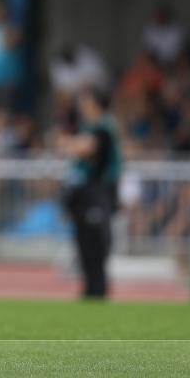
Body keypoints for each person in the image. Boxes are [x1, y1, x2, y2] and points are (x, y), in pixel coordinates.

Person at [57, 88, 122, 299]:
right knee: (83, 240)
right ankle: (89, 287)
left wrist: (70, 144)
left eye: (85, 101)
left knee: (97, 239)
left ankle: (99, 287)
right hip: (83, 192)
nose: (82, 106)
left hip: (99, 191)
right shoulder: (87, 127)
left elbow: (85, 148)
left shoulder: (105, 127)